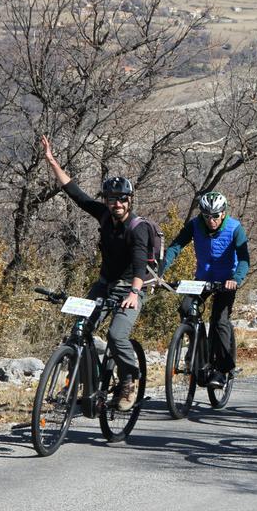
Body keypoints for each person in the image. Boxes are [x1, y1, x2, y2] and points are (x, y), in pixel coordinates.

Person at [40, 135, 152, 411]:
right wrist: (52, 162)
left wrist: (134, 293)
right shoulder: (103, 215)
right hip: (104, 284)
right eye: (112, 199)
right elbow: (76, 193)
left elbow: (140, 264)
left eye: (122, 199)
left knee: (116, 335)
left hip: (131, 287)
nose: (117, 204)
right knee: (79, 331)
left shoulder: (138, 228)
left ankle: (128, 380)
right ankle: (81, 387)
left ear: (129, 200)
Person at [158, 191, 250, 388]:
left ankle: (222, 370)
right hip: (202, 279)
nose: (211, 220)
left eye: (215, 216)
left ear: (223, 213)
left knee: (219, 321)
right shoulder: (195, 225)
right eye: (206, 216)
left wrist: (236, 279)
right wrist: (159, 271)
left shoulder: (235, 228)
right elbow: (175, 247)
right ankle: (197, 352)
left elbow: (244, 259)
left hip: (226, 281)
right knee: (186, 308)